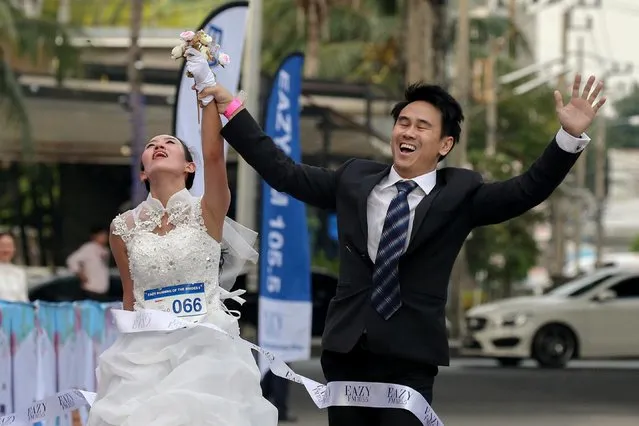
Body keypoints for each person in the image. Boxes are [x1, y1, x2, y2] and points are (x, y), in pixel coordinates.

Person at [197, 73, 606, 425]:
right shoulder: (355, 180)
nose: (408, 132)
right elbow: (283, 172)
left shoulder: (460, 193)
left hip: (410, 356)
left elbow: (527, 189)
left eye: (422, 126)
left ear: (444, 145)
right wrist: (232, 110)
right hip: (346, 351)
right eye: (403, 122)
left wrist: (568, 138)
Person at [86, 47, 277, 426]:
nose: (158, 145)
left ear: (188, 167)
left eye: (169, 143)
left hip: (203, 347)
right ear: (143, 171)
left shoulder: (207, 209)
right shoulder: (122, 227)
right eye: (150, 144)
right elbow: (129, 297)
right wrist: (125, 355)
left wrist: (205, 91)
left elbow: (214, 155)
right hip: (143, 353)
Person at [66, 226, 111, 301]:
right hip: (90, 290)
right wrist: (80, 274)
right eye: (102, 235)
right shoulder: (88, 247)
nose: (105, 237)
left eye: (105, 235)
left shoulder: (105, 250)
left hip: (102, 291)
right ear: (94, 236)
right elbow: (71, 260)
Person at [0, 232, 28, 302]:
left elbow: (24, 300)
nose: (6, 250)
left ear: (14, 249)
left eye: (9, 246)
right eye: (2, 246)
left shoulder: (19, 273)